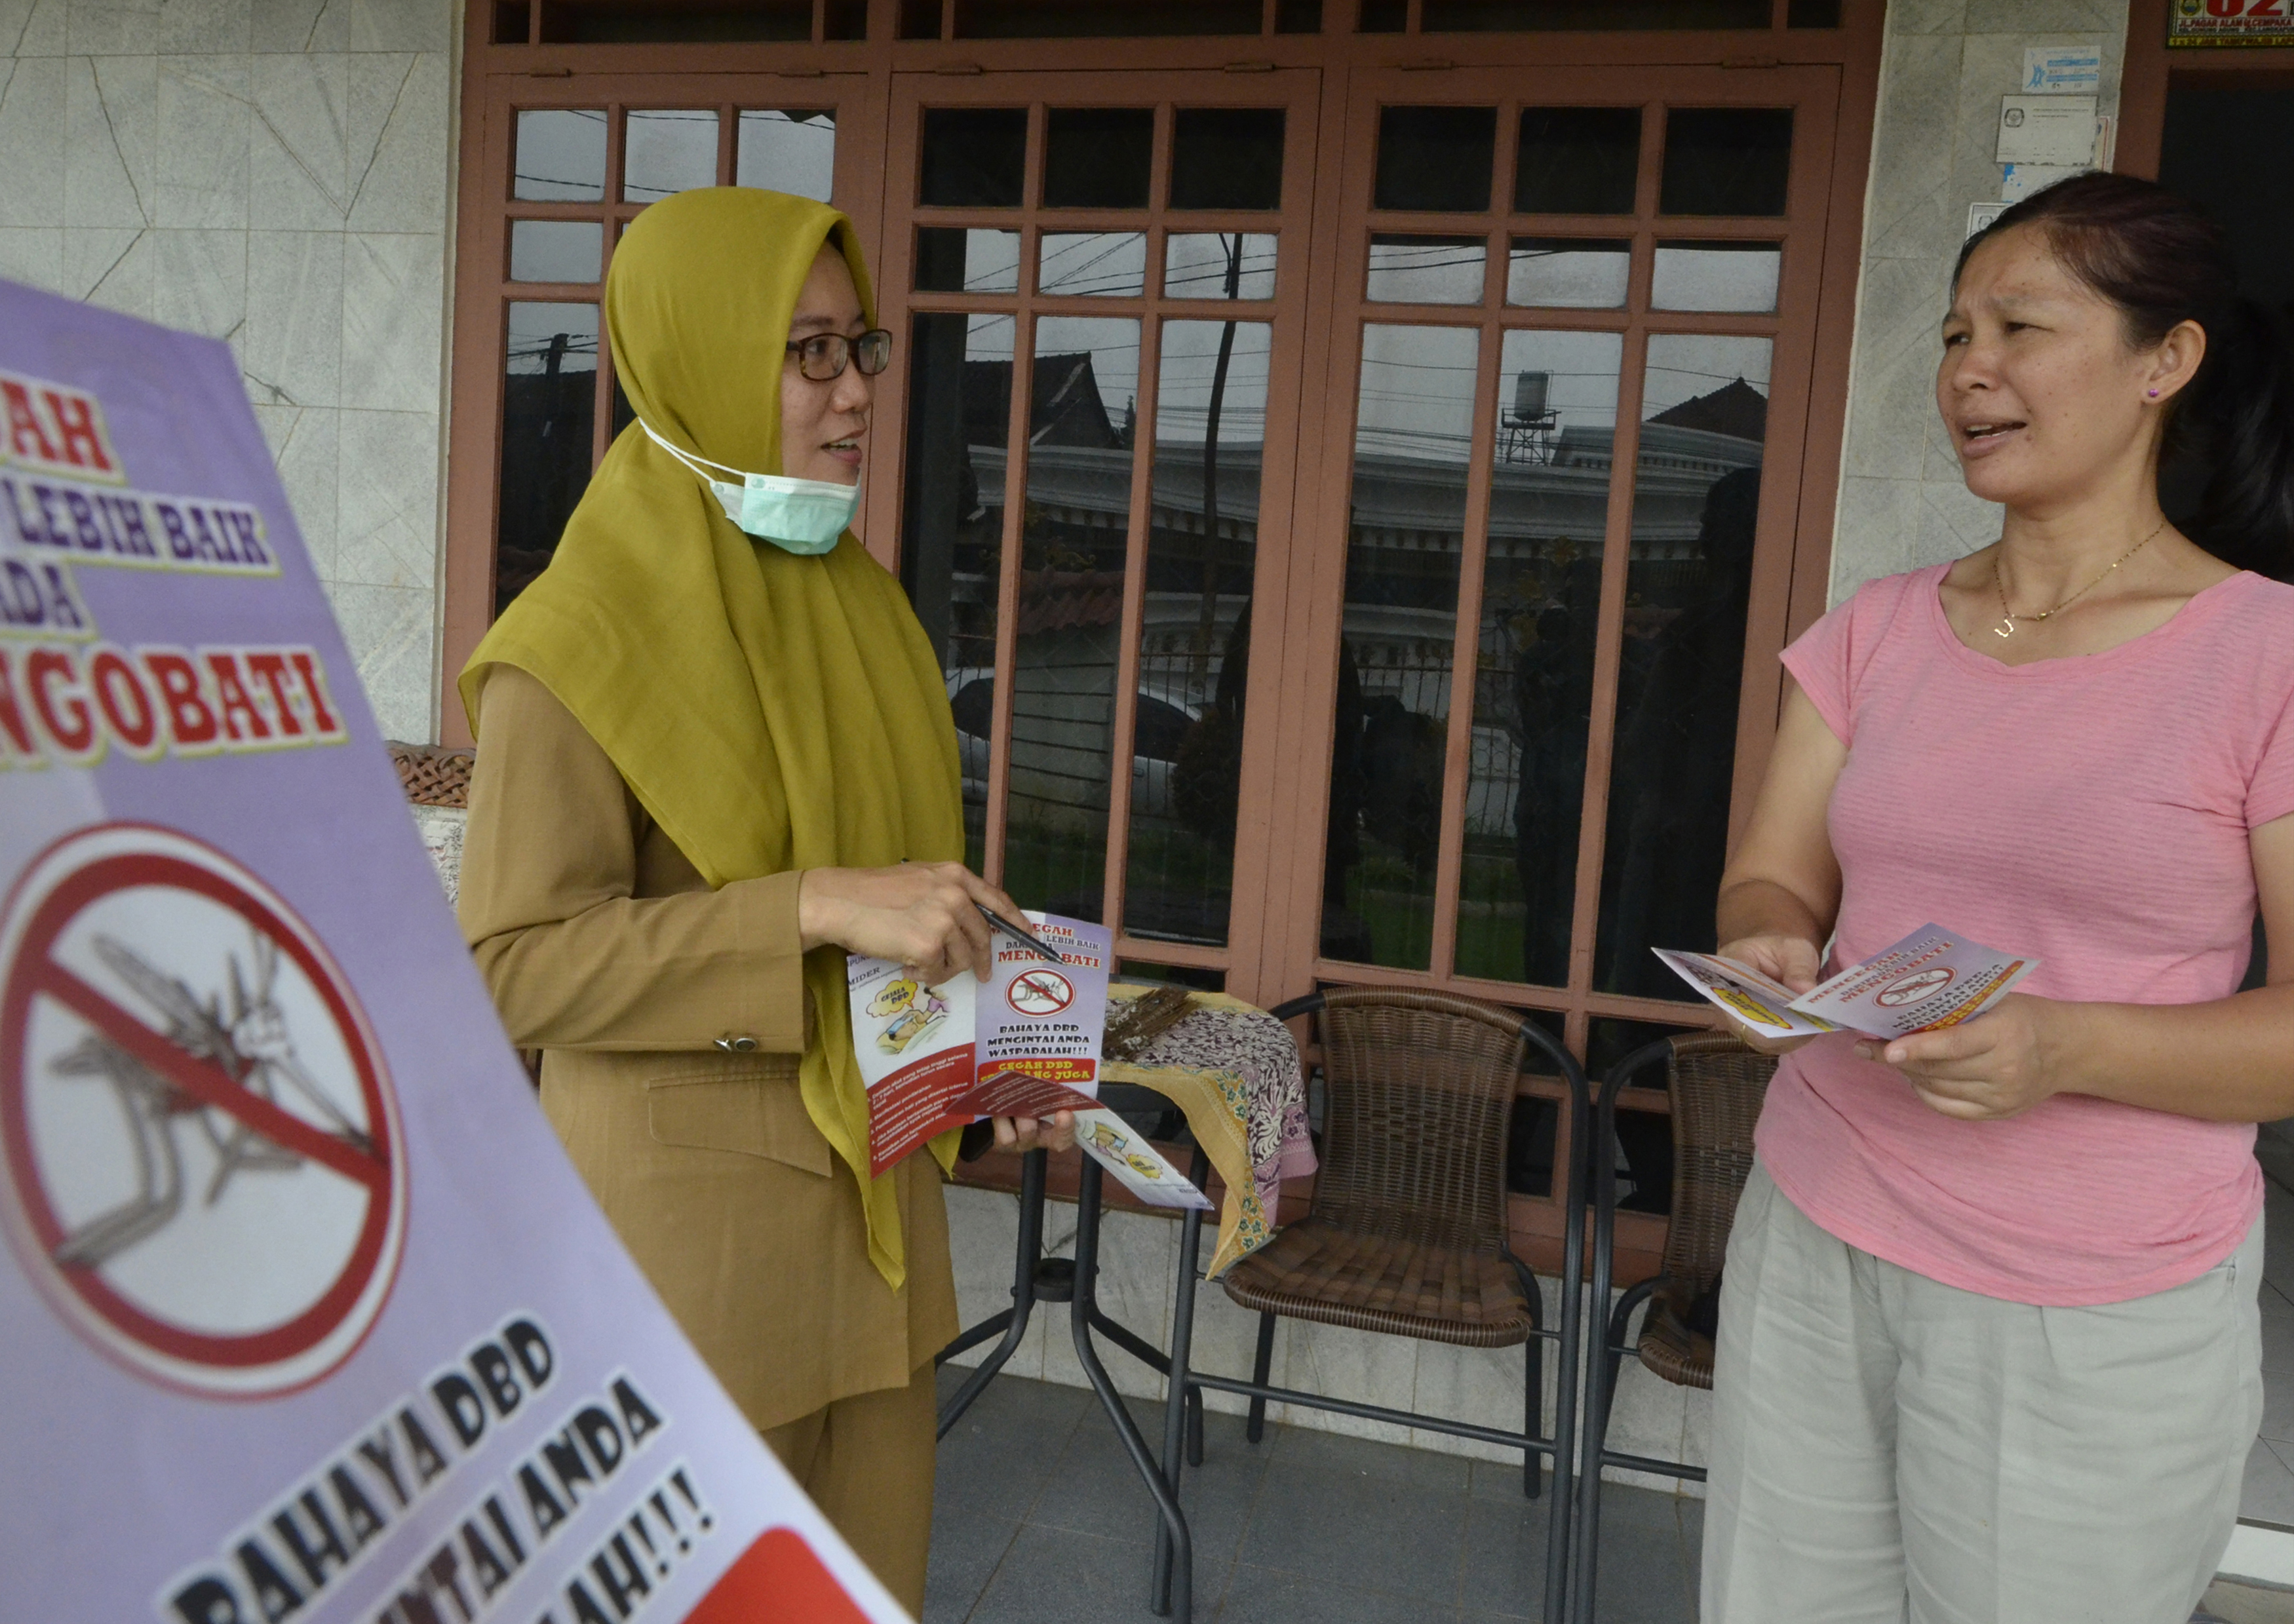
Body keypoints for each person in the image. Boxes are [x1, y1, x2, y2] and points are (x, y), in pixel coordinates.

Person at [455, 187, 1072, 1611]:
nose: (854, 391)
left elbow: (899, 906)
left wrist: (992, 1058)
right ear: (700, 358)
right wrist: (801, 906)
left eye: (862, 348)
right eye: (806, 353)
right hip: (685, 1284)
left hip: (873, 1259)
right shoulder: (574, 639)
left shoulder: (864, 610)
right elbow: (512, 965)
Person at [1701, 170, 2294, 1622]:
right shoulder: (1880, 628)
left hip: (2086, 1297)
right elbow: (1771, 865)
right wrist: (1762, 938)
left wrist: (2059, 1048)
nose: (1970, 371)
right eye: (1955, 336)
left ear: (2166, 361)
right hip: (1815, 1220)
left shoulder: (2262, 655)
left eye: (2020, 328)